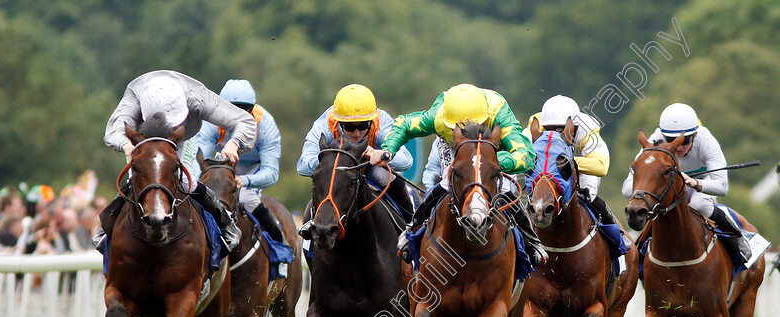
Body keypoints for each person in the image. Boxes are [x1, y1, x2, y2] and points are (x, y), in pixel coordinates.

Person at [370, 83, 544, 265]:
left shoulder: (498, 112)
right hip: (456, 148)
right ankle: (412, 230)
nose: (466, 128)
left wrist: (488, 163)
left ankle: (532, 242)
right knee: (446, 185)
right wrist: (388, 150)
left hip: (491, 151)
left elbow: (526, 156)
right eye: (459, 126)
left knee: (504, 190)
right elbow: (404, 125)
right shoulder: (439, 115)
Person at [99, 70, 258, 251]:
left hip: (179, 139)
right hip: (145, 140)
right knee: (138, 177)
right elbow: (113, 131)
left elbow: (245, 121)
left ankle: (226, 224)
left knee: (185, 181)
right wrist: (125, 145)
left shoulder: (197, 97)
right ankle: (106, 227)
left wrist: (234, 143)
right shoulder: (135, 96)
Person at [621, 102, 751, 262]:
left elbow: (723, 186)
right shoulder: (653, 142)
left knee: (699, 205)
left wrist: (695, 183)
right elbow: (627, 188)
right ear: (663, 136)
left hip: (700, 185)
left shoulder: (707, 141)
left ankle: (737, 238)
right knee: (656, 207)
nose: (679, 147)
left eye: (685, 141)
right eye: (671, 140)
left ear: (695, 135)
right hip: (668, 187)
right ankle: (641, 253)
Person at [296, 84, 415, 237]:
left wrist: (378, 154)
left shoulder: (382, 122)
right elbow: (302, 166)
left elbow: (406, 161)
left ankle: (411, 225)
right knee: (325, 182)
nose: (357, 132)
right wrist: (332, 161)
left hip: (372, 169)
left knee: (385, 177)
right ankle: (311, 236)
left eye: (363, 125)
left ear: (372, 121)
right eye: (350, 127)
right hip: (339, 173)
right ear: (339, 122)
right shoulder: (324, 125)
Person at [185, 79, 284, 242]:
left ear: (253, 109)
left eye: (245, 111)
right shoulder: (210, 123)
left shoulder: (266, 126)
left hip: (253, 167)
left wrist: (243, 180)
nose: (238, 117)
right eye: (232, 110)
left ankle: (280, 243)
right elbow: (198, 159)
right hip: (222, 162)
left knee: (246, 198)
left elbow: (271, 172)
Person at [526, 95, 618, 225]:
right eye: (550, 129)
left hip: (579, 170)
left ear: (574, 127)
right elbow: (520, 157)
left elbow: (601, 166)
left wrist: (566, 163)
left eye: (561, 129)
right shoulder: (534, 127)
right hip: (545, 172)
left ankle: (619, 236)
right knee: (531, 199)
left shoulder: (587, 129)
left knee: (587, 197)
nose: (556, 134)